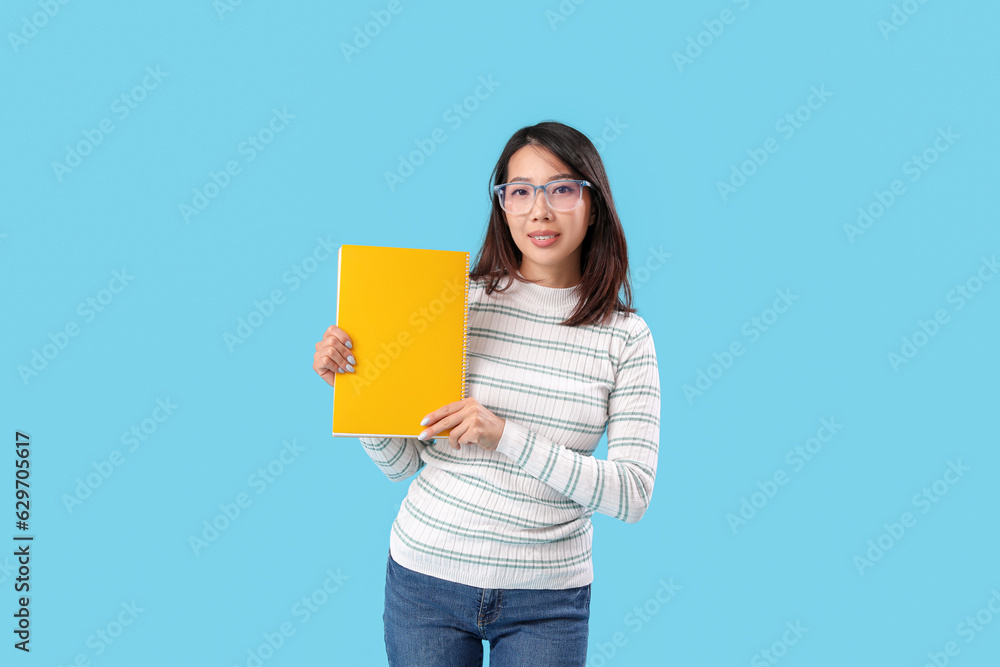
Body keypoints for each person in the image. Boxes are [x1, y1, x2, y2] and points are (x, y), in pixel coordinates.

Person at [312, 121, 661, 666]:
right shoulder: (457, 304)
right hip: (425, 577)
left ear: (593, 202)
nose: (539, 211)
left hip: (548, 599)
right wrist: (359, 392)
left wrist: (505, 437)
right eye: (520, 191)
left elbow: (632, 494)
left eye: (561, 188)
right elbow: (402, 464)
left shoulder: (625, 337)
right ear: (502, 206)